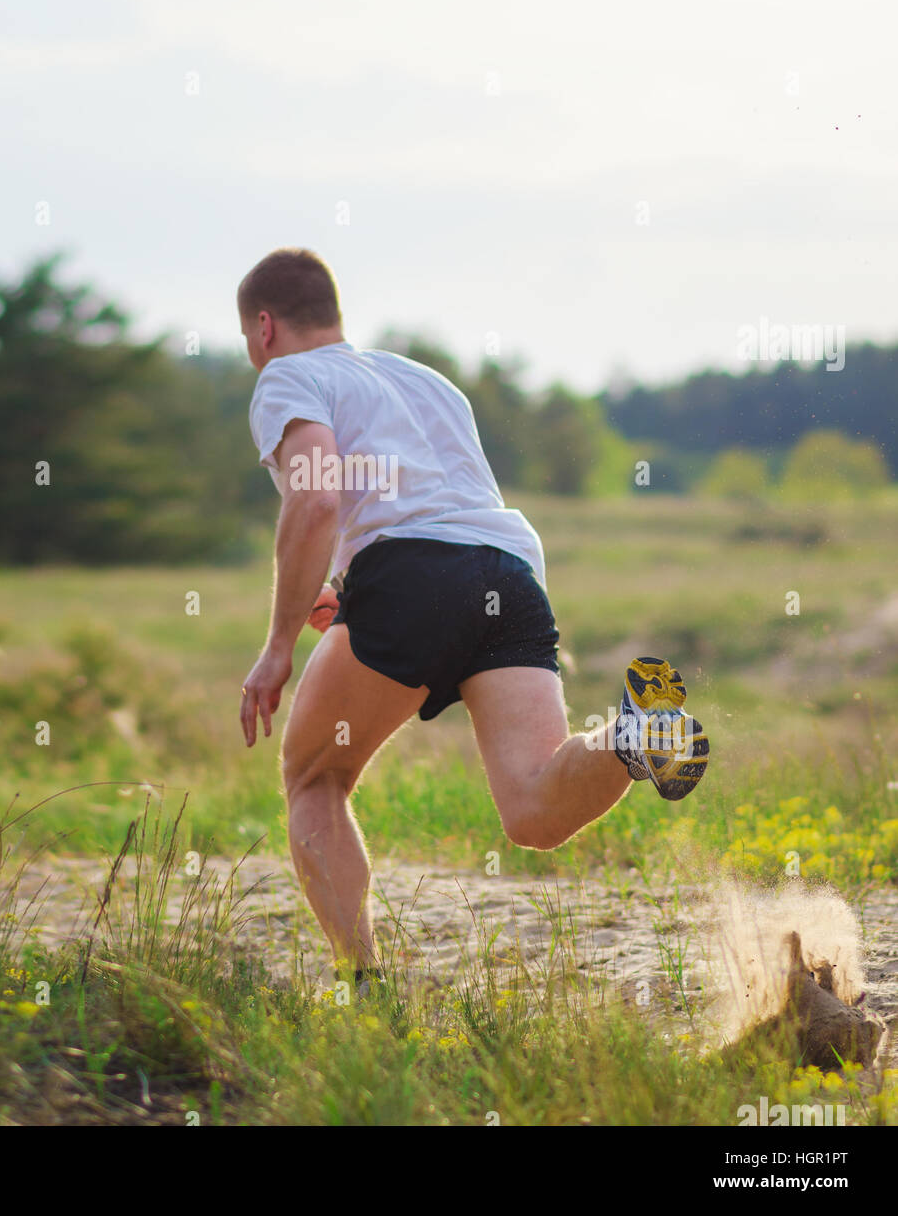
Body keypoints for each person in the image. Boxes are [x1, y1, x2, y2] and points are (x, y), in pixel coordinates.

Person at [237, 248, 708, 988]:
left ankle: (364, 987)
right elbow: (433, 510)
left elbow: (318, 497)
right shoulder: (426, 382)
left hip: (412, 575)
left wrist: (274, 649)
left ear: (263, 327)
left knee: (314, 778)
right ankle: (631, 735)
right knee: (532, 813)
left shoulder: (288, 376)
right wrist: (349, 596)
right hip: (508, 574)